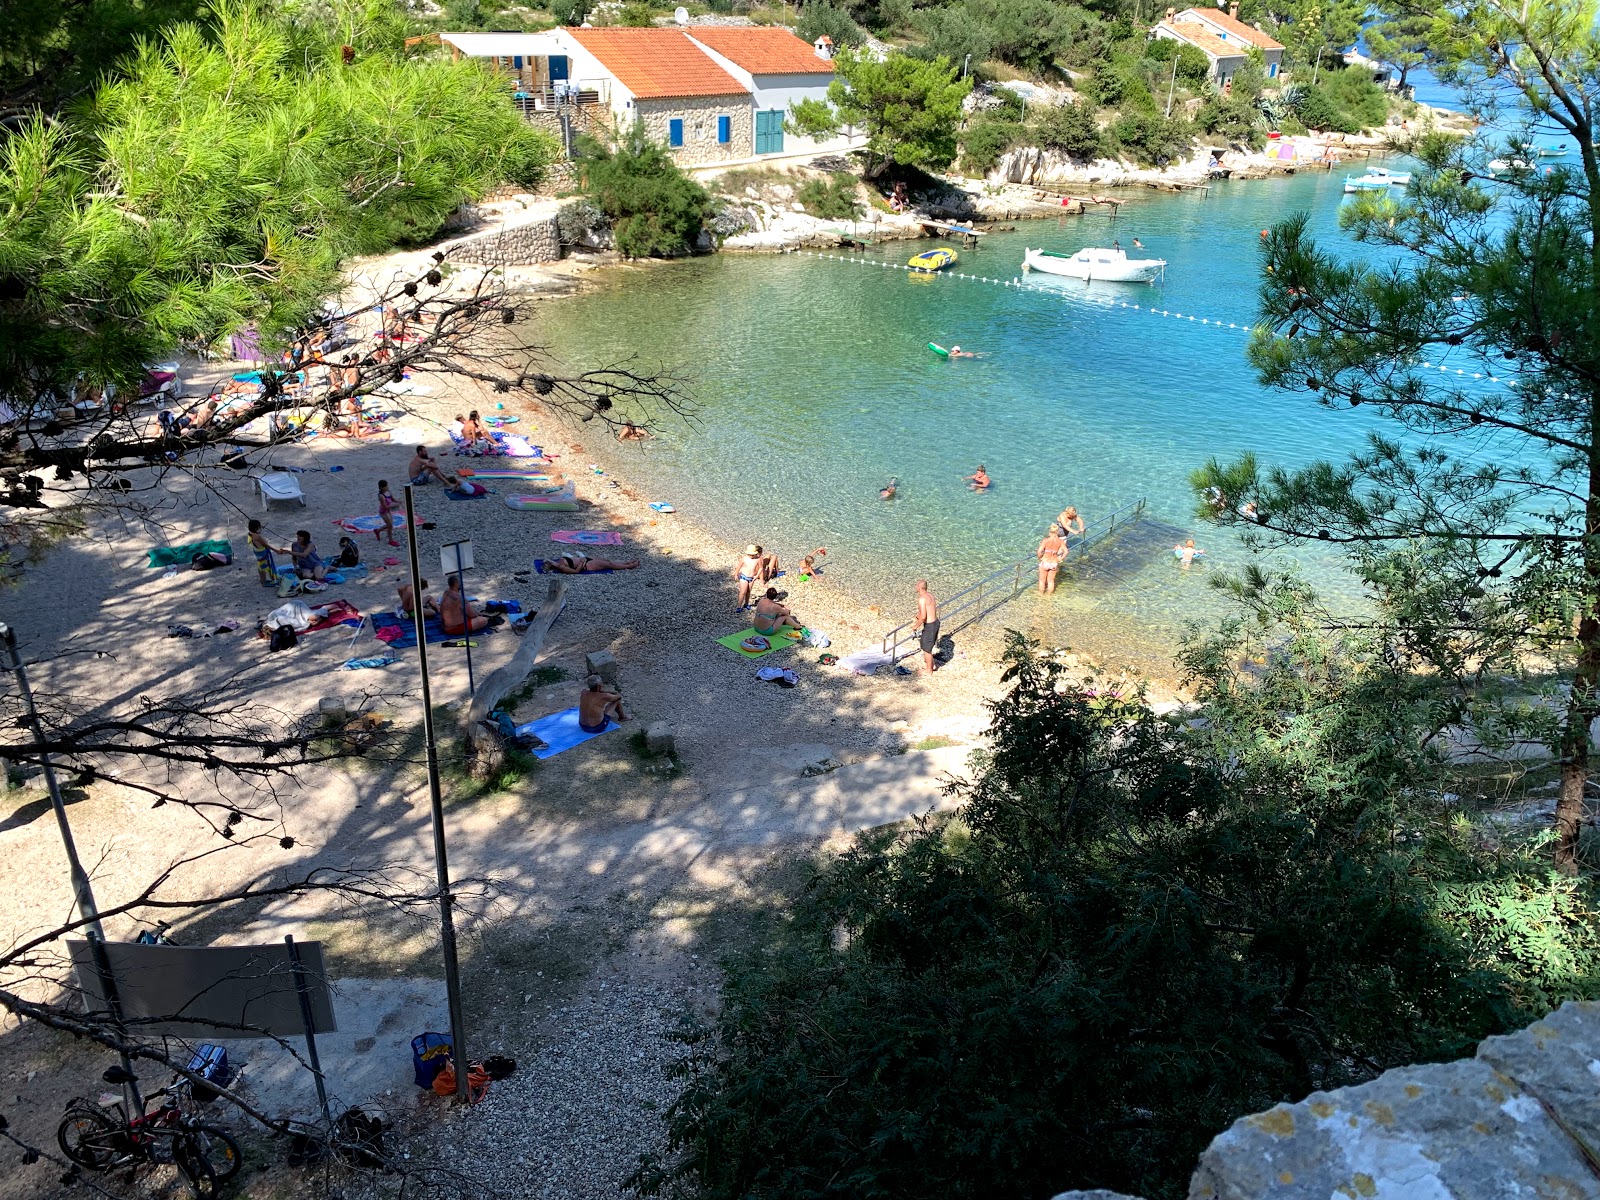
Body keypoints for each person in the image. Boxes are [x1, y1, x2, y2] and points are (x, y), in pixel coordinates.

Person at [439, 575, 505, 636]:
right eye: (460, 582)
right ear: (456, 584)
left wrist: (475, 612)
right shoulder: (460, 598)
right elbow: (473, 615)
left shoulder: (446, 592)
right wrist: (478, 615)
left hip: (444, 626)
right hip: (454, 628)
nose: (462, 584)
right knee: (483, 620)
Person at [735, 544, 779, 610]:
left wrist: (757, 576)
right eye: (750, 554)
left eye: (752, 555)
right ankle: (739, 606)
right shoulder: (745, 558)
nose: (751, 556)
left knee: (748, 591)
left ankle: (746, 604)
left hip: (751, 578)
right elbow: (739, 566)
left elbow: (760, 568)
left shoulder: (758, 559)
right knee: (742, 592)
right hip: (744, 576)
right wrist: (736, 574)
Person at [247, 519, 288, 587]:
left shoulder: (250, 534)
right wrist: (276, 550)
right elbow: (266, 545)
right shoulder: (257, 536)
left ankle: (262, 580)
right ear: (256, 528)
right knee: (264, 567)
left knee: (260, 566)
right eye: (259, 527)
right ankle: (264, 582)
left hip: (258, 554)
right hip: (262, 554)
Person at [912, 579, 940, 673]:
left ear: (919, 587)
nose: (916, 587)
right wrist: (917, 617)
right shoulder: (930, 596)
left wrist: (916, 626)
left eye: (916, 586)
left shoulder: (922, 599)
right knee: (927, 644)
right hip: (935, 622)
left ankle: (929, 670)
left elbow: (923, 616)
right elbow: (926, 611)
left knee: (926, 648)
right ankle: (932, 664)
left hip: (930, 625)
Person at [1037, 523, 1069, 595]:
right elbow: (1066, 551)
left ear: (1050, 532)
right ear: (1057, 532)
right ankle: (1049, 596)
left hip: (1045, 561)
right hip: (1054, 562)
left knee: (1042, 581)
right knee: (1051, 581)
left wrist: (1040, 558)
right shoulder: (1060, 541)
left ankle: (1040, 594)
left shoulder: (1045, 540)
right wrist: (1060, 558)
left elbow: (1039, 551)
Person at [546, 550, 641, 573]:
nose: (551, 562)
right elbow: (575, 572)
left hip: (586, 560)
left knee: (608, 561)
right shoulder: (561, 567)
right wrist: (582, 562)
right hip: (586, 565)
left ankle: (627, 562)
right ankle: (629, 566)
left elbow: (546, 560)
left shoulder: (559, 561)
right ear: (552, 566)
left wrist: (548, 561)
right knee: (609, 565)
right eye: (550, 563)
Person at [377, 479, 401, 547]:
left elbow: (393, 499)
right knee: (390, 525)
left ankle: (378, 530)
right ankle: (390, 540)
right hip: (383, 512)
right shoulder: (381, 496)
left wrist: (399, 501)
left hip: (388, 510)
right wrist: (394, 505)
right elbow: (385, 507)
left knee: (390, 525)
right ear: (381, 487)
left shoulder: (388, 492)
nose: (387, 488)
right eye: (385, 487)